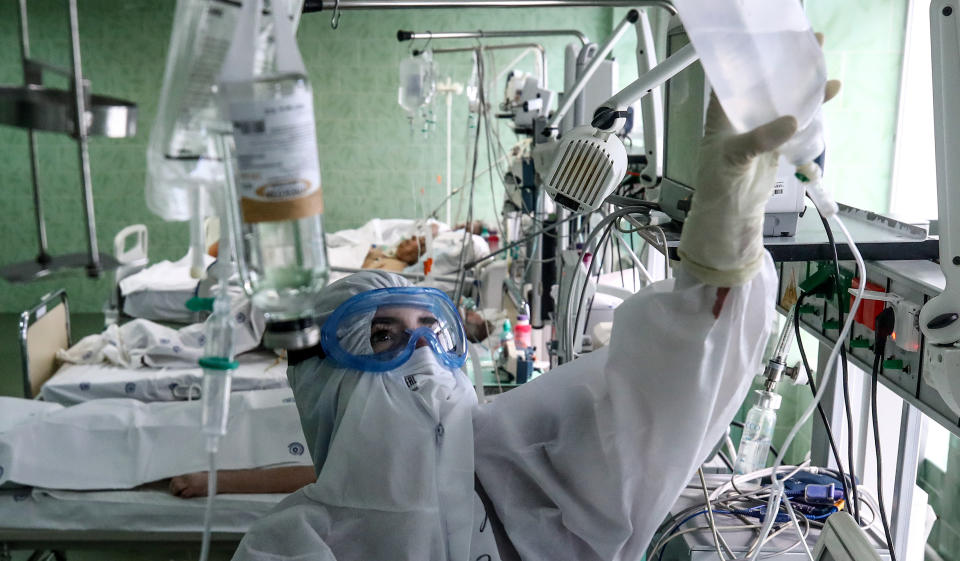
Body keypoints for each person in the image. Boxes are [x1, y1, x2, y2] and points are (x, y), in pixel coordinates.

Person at [232, 76, 841, 560]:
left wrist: (722, 244)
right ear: (318, 381)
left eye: (431, 335)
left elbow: (658, 396)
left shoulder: (520, 473)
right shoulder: (288, 545)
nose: (420, 357)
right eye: (383, 337)